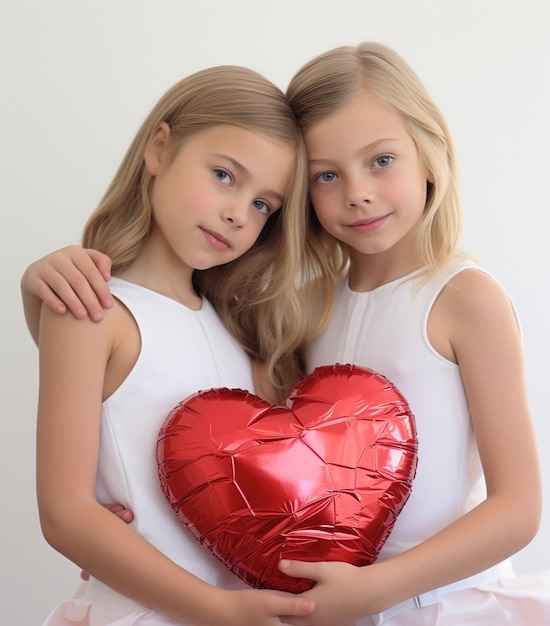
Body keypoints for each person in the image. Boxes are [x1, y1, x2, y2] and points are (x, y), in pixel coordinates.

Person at [22, 43, 550, 625]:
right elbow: (126, 411)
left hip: (434, 608)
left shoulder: (459, 299)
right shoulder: (302, 315)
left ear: (430, 155)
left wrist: (370, 591)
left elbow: (519, 507)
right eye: (327, 175)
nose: (357, 193)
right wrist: (38, 292)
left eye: (381, 161)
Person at [23, 65, 320, 626]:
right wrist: (218, 609)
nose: (238, 213)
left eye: (263, 206)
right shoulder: (94, 311)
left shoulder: (244, 333)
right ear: (160, 148)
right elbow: (65, 515)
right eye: (225, 175)